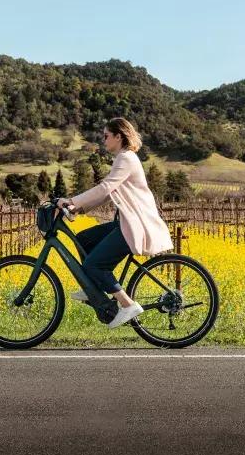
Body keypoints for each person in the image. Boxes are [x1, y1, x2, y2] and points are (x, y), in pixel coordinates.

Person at [56, 117, 174, 328]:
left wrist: (72, 201)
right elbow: (107, 193)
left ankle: (128, 305)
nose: (104, 140)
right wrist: (78, 208)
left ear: (119, 136)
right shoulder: (124, 158)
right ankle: (94, 287)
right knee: (83, 239)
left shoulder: (126, 158)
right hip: (128, 222)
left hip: (134, 224)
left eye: (106, 136)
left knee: (93, 264)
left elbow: (104, 188)